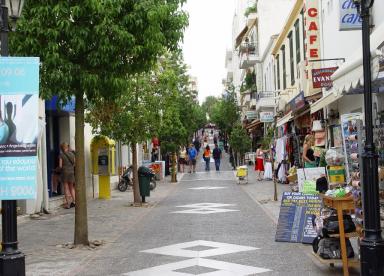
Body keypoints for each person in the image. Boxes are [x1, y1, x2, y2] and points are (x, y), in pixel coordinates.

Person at [59, 142, 76, 209]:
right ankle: (74, 202)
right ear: (67, 147)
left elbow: (60, 166)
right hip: (71, 172)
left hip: (65, 172)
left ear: (62, 148)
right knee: (71, 188)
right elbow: (75, 164)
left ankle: (68, 204)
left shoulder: (61, 155)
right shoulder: (72, 154)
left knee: (66, 188)